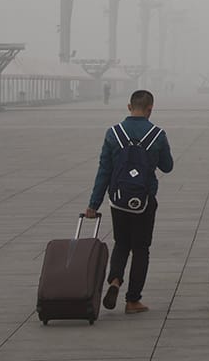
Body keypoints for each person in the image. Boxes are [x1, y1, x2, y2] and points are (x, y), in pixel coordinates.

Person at [85, 89, 173, 315]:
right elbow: (167, 166)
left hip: (118, 200)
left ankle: (115, 280)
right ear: (150, 109)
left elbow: (104, 171)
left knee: (121, 243)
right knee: (141, 249)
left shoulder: (113, 133)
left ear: (129, 107)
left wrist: (94, 204)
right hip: (144, 200)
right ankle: (133, 300)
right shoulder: (157, 134)